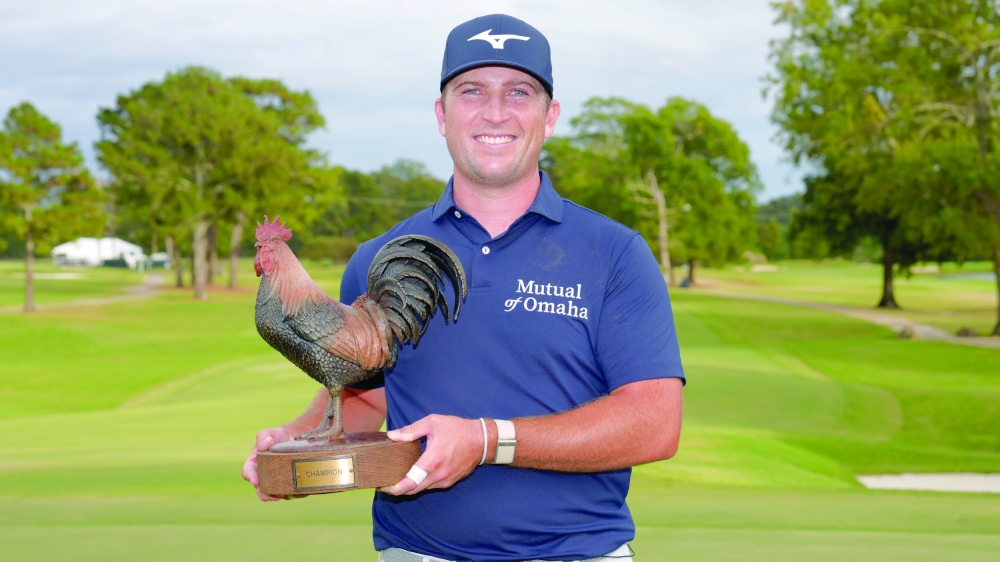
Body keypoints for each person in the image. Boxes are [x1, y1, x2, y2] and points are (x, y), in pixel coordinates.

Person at [243, 14, 684, 562]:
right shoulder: (378, 261)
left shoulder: (615, 252)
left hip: (578, 552)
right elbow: (364, 394)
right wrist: (292, 444)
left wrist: (486, 440)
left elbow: (656, 424)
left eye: (518, 92)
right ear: (441, 114)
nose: (495, 112)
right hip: (418, 553)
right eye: (471, 91)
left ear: (550, 117)